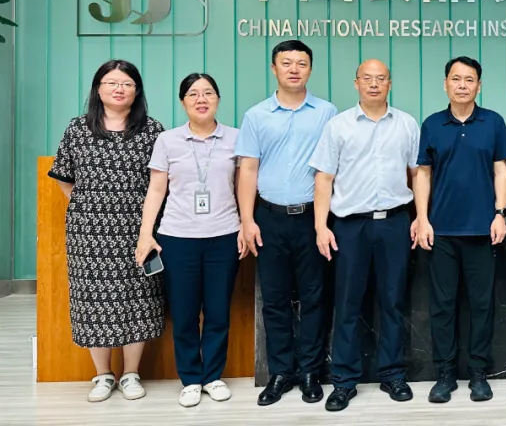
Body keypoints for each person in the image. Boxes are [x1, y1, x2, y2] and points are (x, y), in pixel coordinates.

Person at [47, 59, 166, 403]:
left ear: (137, 91)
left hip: (138, 230)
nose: (119, 89)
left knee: (138, 298)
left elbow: (160, 183)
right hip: (88, 233)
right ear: (98, 89)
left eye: (127, 84)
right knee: (92, 299)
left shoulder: (152, 130)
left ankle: (131, 374)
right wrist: (92, 207)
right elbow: (65, 179)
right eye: (111, 82)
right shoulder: (77, 129)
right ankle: (102, 375)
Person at [310, 59, 420, 412]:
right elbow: (324, 178)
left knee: (393, 301)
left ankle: (393, 374)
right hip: (350, 226)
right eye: (367, 78)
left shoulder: (406, 124)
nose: (374, 84)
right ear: (356, 83)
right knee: (347, 304)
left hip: (395, 223)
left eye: (381, 78)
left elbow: (418, 173)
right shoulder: (338, 126)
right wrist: (321, 225)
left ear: (390, 83)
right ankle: (344, 381)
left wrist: (422, 217)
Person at [236, 40, 338, 406]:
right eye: (286, 63)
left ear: (310, 69)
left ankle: (310, 371)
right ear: (274, 68)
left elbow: (330, 169)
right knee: (275, 299)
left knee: (314, 297)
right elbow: (248, 170)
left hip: (313, 217)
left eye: (301, 63)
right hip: (269, 218)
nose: (294, 69)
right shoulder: (256, 116)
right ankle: (280, 372)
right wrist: (247, 220)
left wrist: (322, 222)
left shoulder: (327, 113)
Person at [135, 73, 246, 407]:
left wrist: (245, 224)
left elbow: (244, 186)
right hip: (177, 237)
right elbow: (157, 189)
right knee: (184, 314)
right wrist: (145, 234)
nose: (201, 99)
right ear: (183, 101)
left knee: (217, 311)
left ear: (218, 99)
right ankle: (191, 379)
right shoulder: (168, 140)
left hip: (224, 236)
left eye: (208, 93)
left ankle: (212, 376)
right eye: (193, 94)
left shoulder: (236, 138)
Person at [412, 56, 506, 403]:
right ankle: (445, 375)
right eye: (455, 79)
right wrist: (422, 218)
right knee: (442, 306)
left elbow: (501, 171)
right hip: (441, 231)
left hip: (483, 231)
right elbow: (423, 174)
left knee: (482, 305)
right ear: (445, 84)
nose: (462, 85)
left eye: (469, 80)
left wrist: (500, 213)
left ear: (478, 86)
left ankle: (478, 374)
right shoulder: (432, 124)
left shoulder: (493, 122)